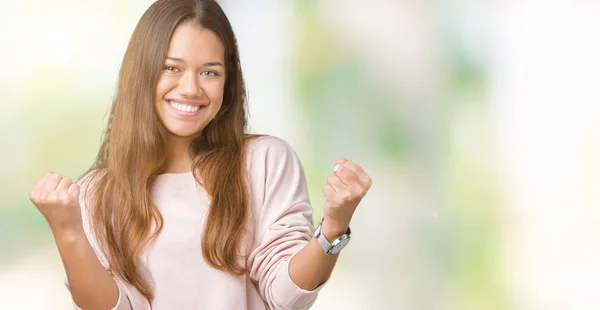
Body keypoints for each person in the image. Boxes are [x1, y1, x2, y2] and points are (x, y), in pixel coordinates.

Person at [28, 0, 372, 309]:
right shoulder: (98, 190)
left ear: (229, 82)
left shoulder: (265, 161)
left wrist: (334, 226)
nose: (191, 88)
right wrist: (67, 230)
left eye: (210, 72)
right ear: (142, 73)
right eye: (172, 68)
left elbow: (286, 296)